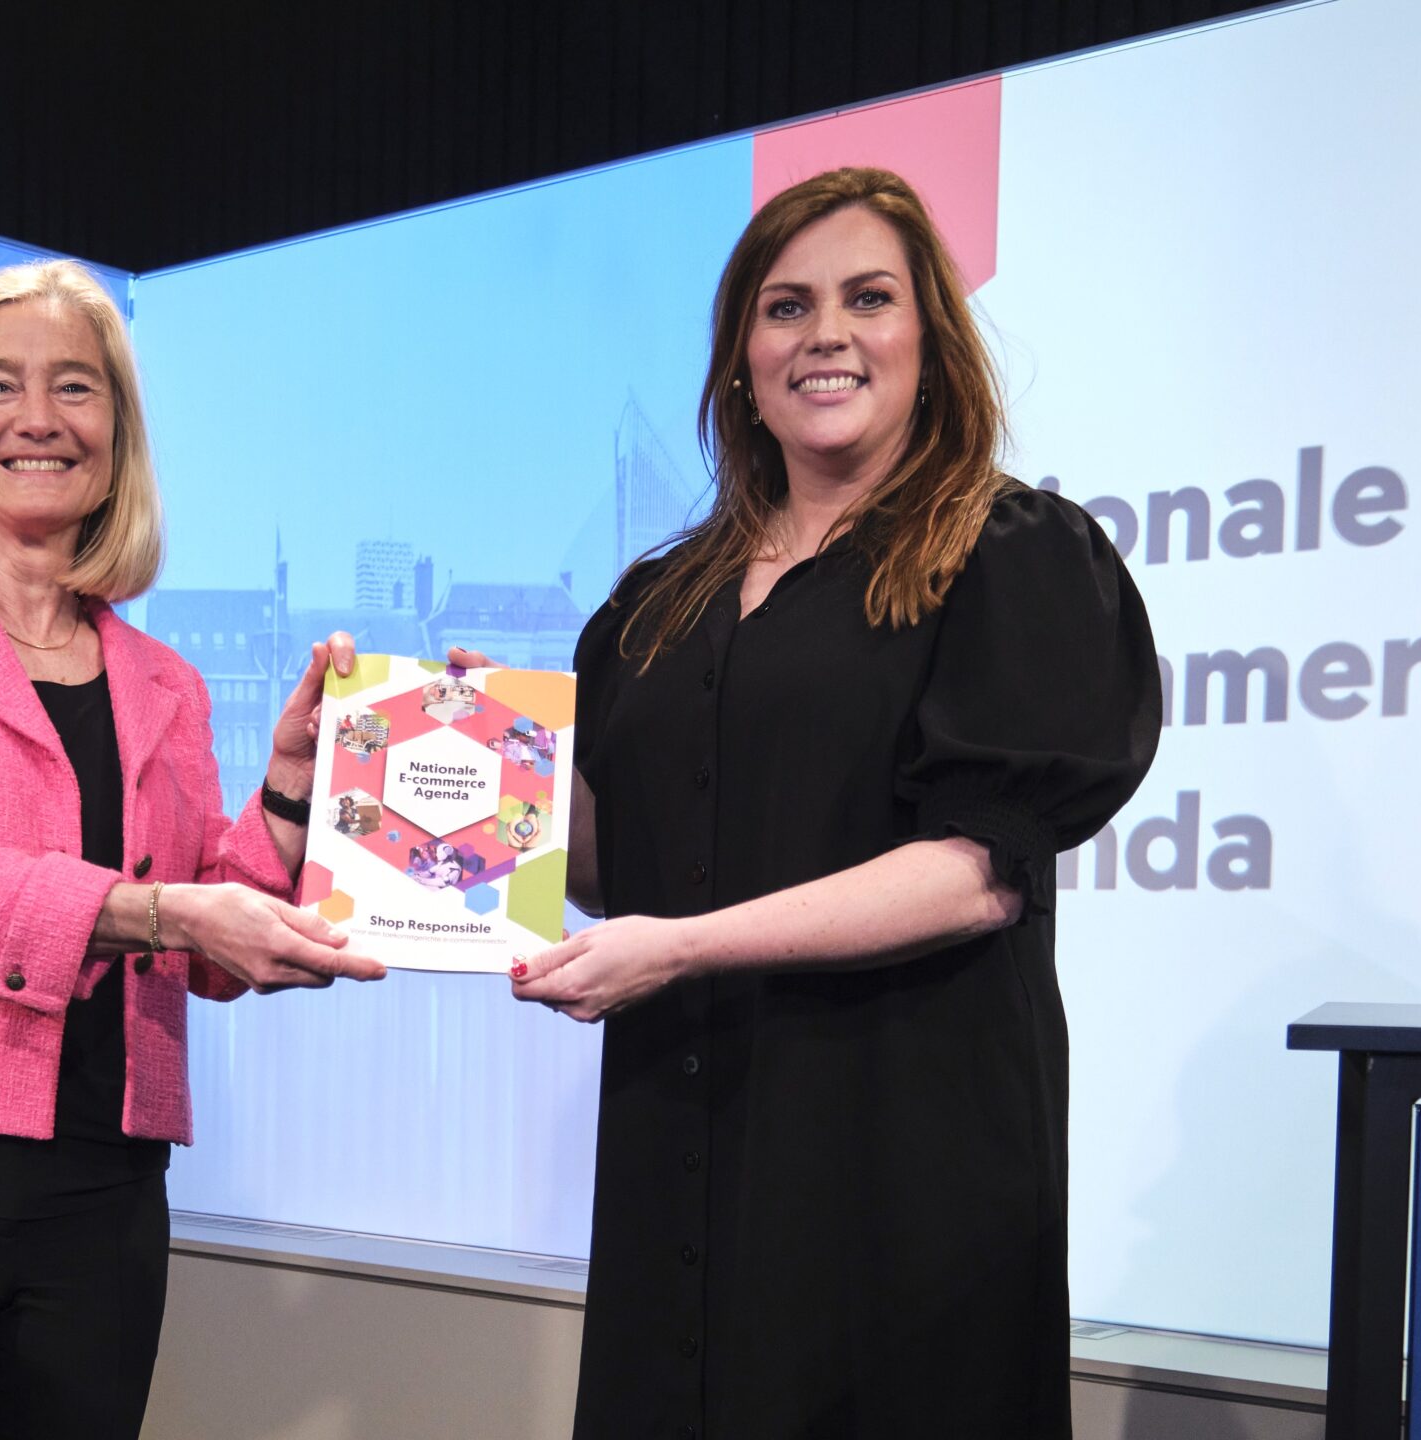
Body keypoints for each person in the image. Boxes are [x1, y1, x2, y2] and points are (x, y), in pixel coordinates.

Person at [504, 167, 1162, 1437]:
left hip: (904, 1164)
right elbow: (610, 865)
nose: (826, 335)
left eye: (869, 298)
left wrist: (682, 947)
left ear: (930, 338)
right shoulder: (655, 603)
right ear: (740, 356)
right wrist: (469, 769)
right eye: (786, 306)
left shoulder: (1012, 553)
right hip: (681, 1143)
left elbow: (978, 872)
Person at [0, 258, 382, 1440]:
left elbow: (206, 943)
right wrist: (169, 914)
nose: (39, 418)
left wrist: (291, 788)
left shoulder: (166, 682)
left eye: (75, 387)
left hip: (107, 1187)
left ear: (116, 434)